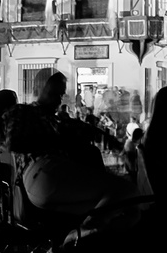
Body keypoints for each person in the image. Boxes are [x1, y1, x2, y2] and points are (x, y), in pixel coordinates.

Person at [8, 72, 133, 218]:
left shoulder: (58, 120)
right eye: (53, 94)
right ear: (38, 89)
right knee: (122, 190)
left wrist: (113, 142)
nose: (58, 100)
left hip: (52, 176)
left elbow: (87, 130)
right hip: (42, 171)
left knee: (114, 206)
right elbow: (14, 142)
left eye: (61, 95)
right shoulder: (23, 112)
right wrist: (59, 140)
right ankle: (87, 229)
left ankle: (81, 233)